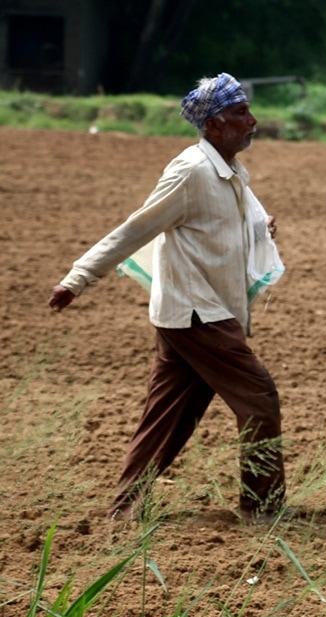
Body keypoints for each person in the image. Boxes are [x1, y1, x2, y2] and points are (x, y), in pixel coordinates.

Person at [48, 73, 287, 524]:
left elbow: (223, 222)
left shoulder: (229, 170)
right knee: (259, 398)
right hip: (198, 312)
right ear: (213, 125)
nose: (252, 120)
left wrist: (259, 227)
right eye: (240, 113)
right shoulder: (191, 171)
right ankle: (262, 509)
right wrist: (79, 278)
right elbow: (136, 229)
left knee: (168, 417)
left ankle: (124, 509)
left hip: (193, 311)